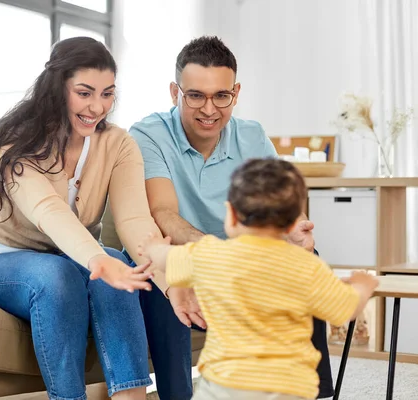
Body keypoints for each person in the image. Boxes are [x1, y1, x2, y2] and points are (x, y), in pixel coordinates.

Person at [129, 36, 335, 399]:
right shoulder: (149, 134)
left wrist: (295, 231)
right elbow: (162, 212)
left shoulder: (252, 135)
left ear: (235, 93)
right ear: (175, 92)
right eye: (195, 95)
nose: (209, 109)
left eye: (221, 96)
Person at [0, 37, 164, 400]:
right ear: (58, 88)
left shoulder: (118, 144)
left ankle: (131, 397)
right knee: (68, 272)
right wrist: (98, 260)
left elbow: (135, 219)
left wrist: (169, 274)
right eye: (85, 93)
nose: (97, 106)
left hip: (75, 259)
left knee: (117, 267)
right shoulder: (14, 142)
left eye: (107, 94)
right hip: (3, 261)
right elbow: (48, 211)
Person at [137, 158, 379, 400]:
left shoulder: (211, 254)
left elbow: (167, 259)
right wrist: (362, 286)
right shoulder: (306, 266)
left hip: (223, 384)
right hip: (287, 387)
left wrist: (153, 247)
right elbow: (344, 308)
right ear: (293, 222)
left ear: (231, 215)